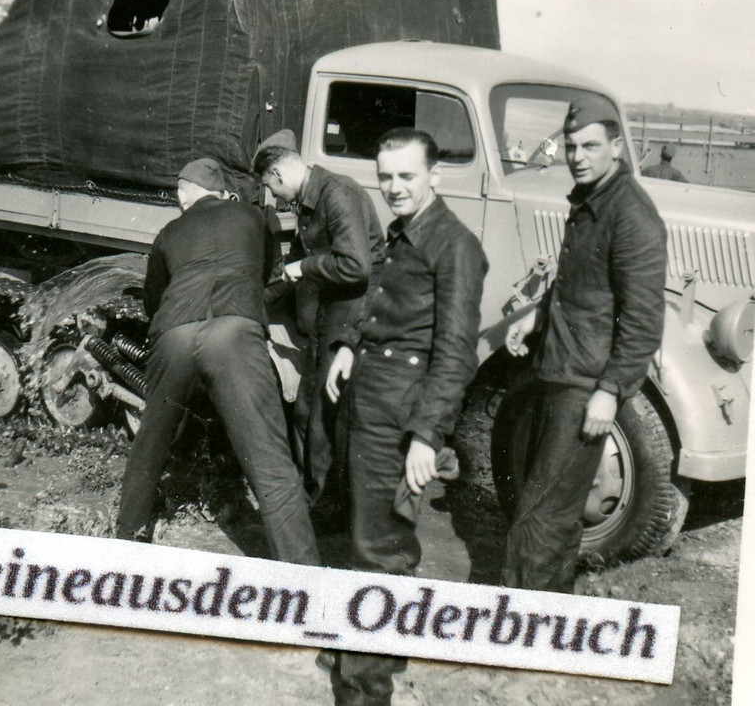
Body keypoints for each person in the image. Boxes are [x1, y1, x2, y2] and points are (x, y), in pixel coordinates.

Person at [323, 128, 487, 705]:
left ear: (435, 176)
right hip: (369, 401)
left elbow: (456, 354)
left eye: (407, 176)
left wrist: (426, 436)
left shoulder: (454, 245)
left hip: (399, 415)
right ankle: (378, 648)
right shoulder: (403, 231)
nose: (394, 187)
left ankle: (364, 690)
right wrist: (349, 343)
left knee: (380, 550)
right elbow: (377, 300)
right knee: (371, 536)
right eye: (385, 176)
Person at [497, 95, 668, 593]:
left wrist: (610, 391)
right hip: (558, 367)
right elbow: (578, 281)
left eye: (590, 146)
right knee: (555, 510)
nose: (577, 156)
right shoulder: (590, 200)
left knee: (540, 514)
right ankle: (551, 610)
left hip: (584, 383)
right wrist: (536, 318)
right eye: (571, 146)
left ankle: (517, 618)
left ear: (617, 147)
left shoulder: (630, 215)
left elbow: (643, 319)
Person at [115, 157, 319, 566]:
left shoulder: (169, 232)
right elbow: (272, 279)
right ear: (222, 191)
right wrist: (245, 305)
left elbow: (153, 301)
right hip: (234, 336)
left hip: (174, 336)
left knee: (150, 445)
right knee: (271, 464)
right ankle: (305, 577)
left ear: (185, 194)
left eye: (179, 193)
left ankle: (124, 545)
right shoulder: (253, 217)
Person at [251, 129, 385, 522]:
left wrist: (305, 267)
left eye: (270, 187)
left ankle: (330, 504)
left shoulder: (336, 194)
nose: (274, 198)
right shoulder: (309, 204)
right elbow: (288, 273)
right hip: (332, 307)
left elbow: (356, 266)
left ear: (278, 174)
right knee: (307, 406)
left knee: (327, 410)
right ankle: (310, 490)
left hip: (355, 309)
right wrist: (250, 305)